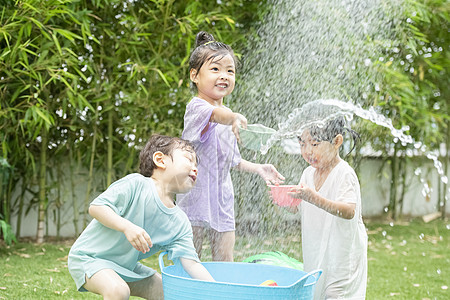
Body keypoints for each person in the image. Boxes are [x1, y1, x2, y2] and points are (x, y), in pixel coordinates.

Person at [176, 31, 285, 262]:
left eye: (230, 70)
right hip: (195, 196)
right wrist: (233, 117)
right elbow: (217, 115)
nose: (223, 75)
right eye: (215, 69)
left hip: (222, 198)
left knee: (225, 258)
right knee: (189, 258)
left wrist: (258, 168)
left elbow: (232, 160)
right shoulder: (197, 108)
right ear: (195, 75)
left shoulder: (228, 116)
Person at [68, 134, 214, 300]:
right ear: (160, 160)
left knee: (170, 292)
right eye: (189, 159)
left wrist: (216, 290)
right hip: (89, 258)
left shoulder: (180, 222)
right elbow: (97, 207)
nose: (195, 168)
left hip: (125, 267)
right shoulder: (136, 185)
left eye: (197, 164)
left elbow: (191, 263)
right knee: (118, 290)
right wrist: (126, 227)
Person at [288, 108, 368, 300]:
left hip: (342, 254)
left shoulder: (344, 173)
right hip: (317, 251)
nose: (308, 151)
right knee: (317, 293)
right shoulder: (308, 173)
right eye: (302, 144)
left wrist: (313, 197)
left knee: (335, 294)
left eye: (315, 144)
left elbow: (349, 210)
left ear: (337, 142)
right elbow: (299, 207)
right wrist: (285, 199)